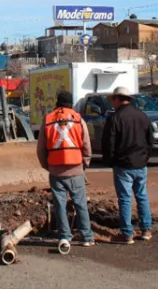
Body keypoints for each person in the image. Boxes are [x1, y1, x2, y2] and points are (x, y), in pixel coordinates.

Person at [37, 91, 94, 248]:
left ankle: (65, 236)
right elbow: (87, 145)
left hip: (56, 170)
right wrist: (85, 163)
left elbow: (41, 148)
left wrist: (47, 166)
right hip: (76, 169)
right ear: (71, 103)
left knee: (60, 204)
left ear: (58, 102)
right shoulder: (78, 119)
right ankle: (87, 236)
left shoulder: (48, 120)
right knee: (80, 203)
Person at [102, 86, 153, 245]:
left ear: (117, 99)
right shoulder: (142, 116)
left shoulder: (115, 118)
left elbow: (108, 143)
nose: (113, 104)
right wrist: (145, 158)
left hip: (123, 165)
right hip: (140, 163)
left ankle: (127, 234)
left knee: (124, 199)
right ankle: (146, 230)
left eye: (113, 100)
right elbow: (150, 140)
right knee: (142, 196)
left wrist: (109, 161)